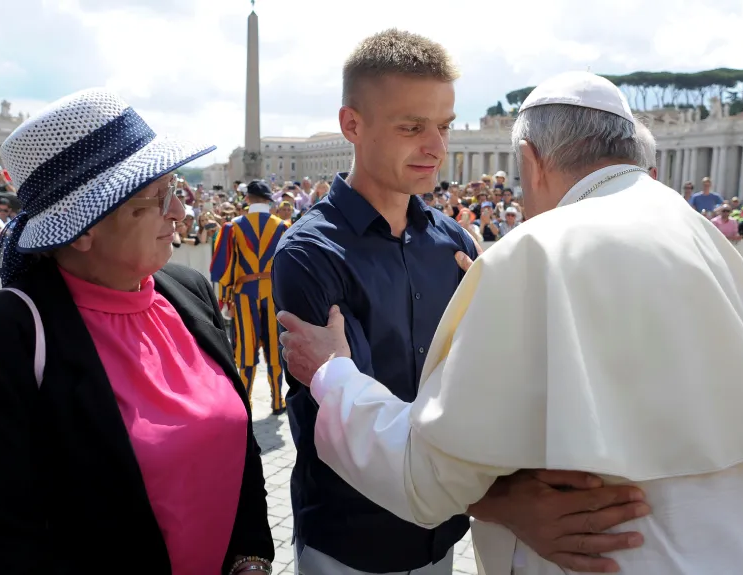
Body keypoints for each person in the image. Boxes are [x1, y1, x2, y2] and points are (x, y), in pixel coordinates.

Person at [277, 72, 743, 575]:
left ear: (531, 157)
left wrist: (333, 373)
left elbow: (426, 477)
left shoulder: (537, 249)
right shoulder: (694, 226)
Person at [272, 33, 649, 575]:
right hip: (353, 539)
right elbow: (342, 417)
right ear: (352, 125)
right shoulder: (309, 253)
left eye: (443, 126)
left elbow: (471, 390)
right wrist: (505, 503)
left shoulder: (454, 242)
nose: (437, 147)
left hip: (443, 533)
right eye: (412, 127)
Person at [0, 88, 274, 575]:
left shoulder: (188, 290)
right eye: (158, 198)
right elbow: (0, 547)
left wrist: (252, 555)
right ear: (80, 227)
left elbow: (241, 446)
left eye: (175, 189)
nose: (179, 213)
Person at [210, 179, 289, 415]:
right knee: (275, 347)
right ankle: (277, 401)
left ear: (246, 199)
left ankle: (245, 402)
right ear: (268, 200)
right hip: (273, 294)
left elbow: (224, 267)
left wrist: (224, 298)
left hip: (244, 294)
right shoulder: (282, 226)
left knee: (245, 348)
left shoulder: (233, 226)